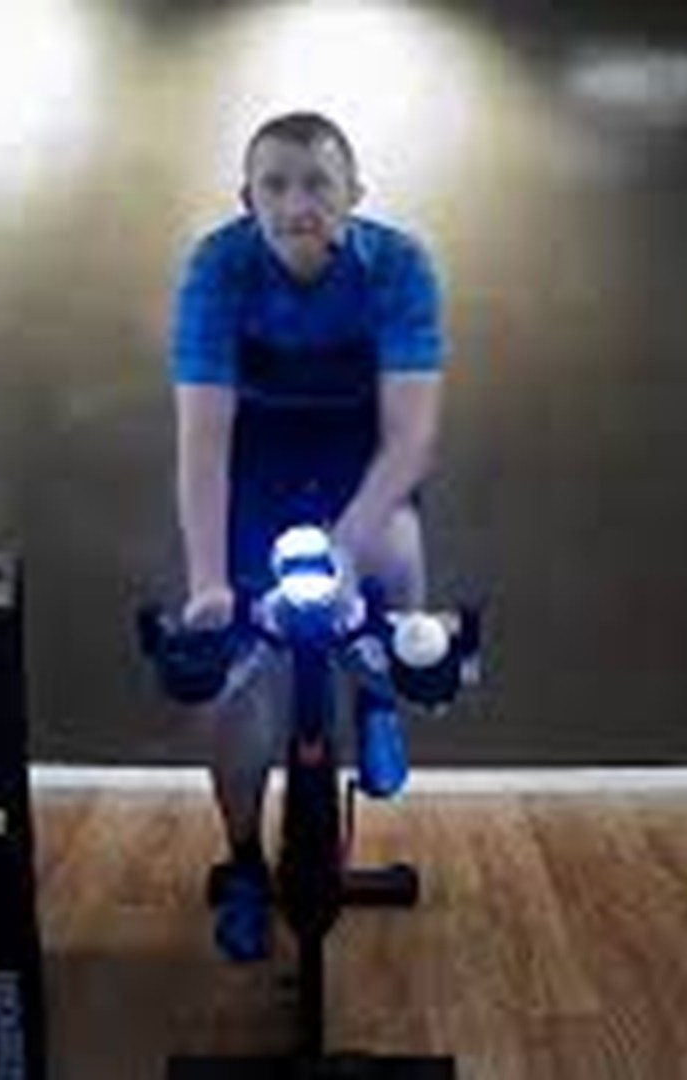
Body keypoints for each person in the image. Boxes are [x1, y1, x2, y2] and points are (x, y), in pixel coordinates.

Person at [168, 111, 446, 962]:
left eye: (319, 184)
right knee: (237, 687)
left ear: (354, 193)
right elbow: (202, 443)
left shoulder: (399, 266)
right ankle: (246, 866)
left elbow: (410, 439)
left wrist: (347, 548)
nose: (297, 204)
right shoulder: (217, 268)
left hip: (361, 449)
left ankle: (380, 694)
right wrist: (208, 585)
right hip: (254, 455)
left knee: (397, 547)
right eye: (276, 186)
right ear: (246, 198)